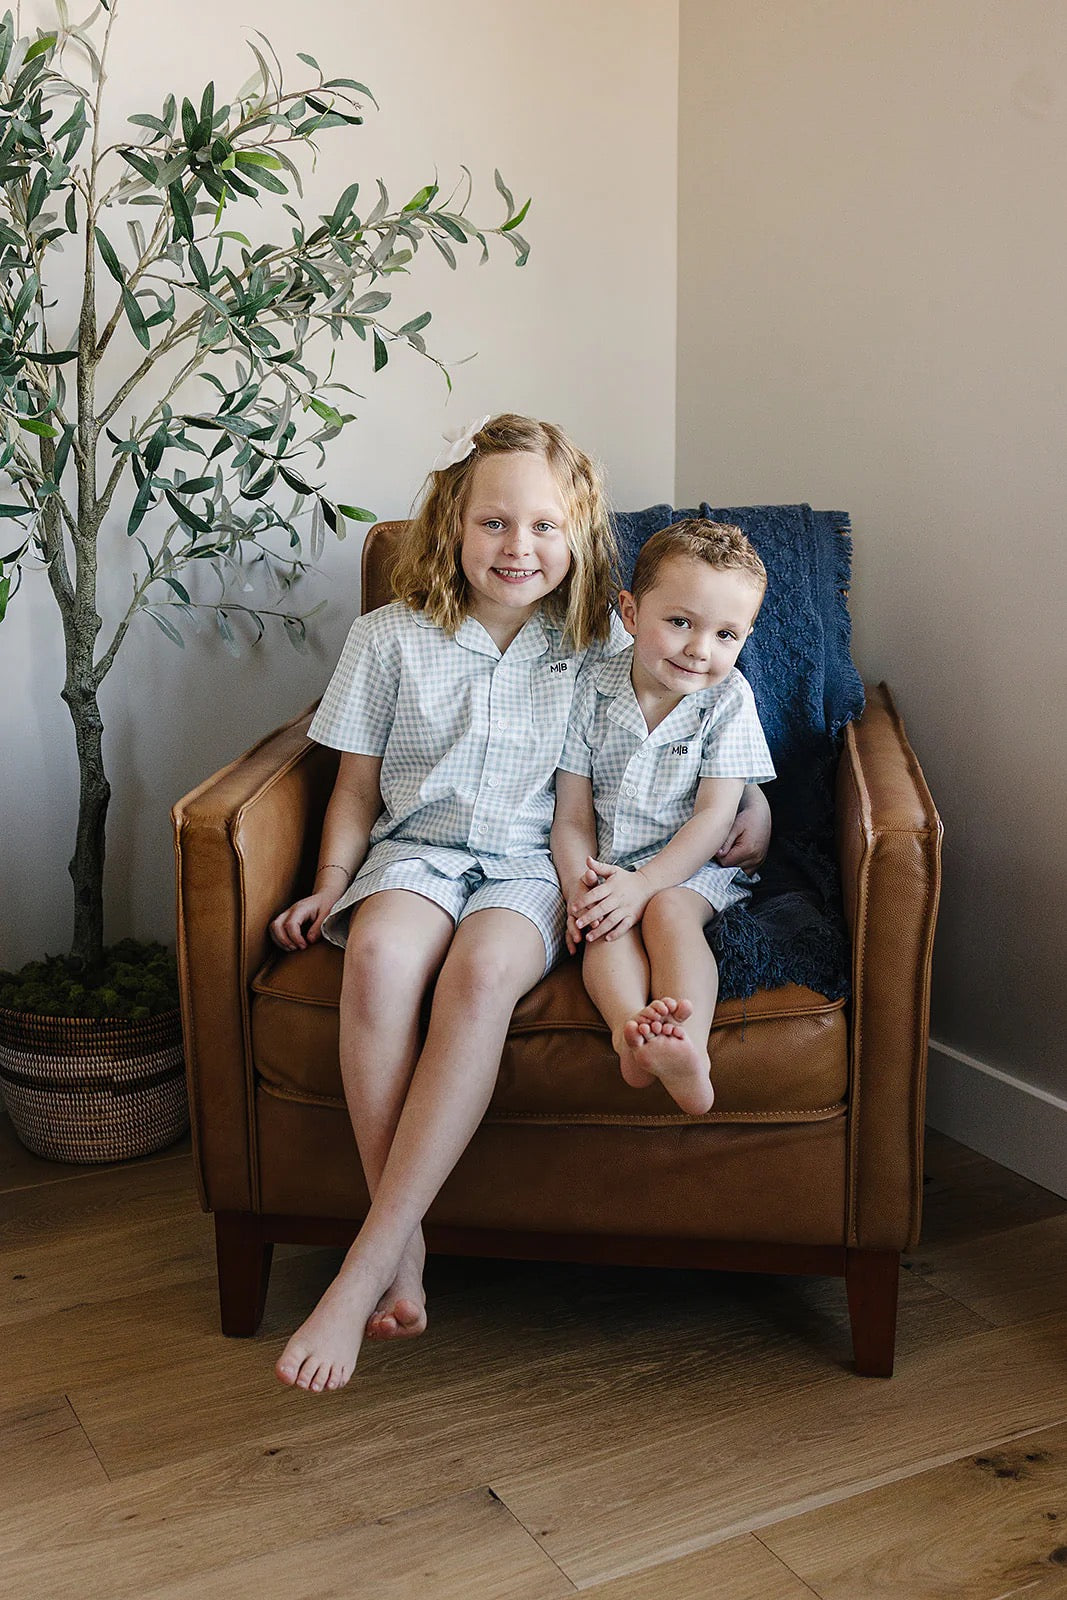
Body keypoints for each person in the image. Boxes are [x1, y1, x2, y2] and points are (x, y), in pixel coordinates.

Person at [268, 423, 770, 1394]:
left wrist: (753, 802)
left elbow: (691, 714)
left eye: (543, 524)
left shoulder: (602, 637)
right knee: (374, 960)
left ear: (576, 536)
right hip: (412, 852)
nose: (517, 546)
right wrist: (332, 879)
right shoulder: (386, 638)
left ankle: (362, 1264)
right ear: (452, 522)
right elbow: (353, 790)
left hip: (532, 867)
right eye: (493, 520)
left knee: (486, 971)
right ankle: (395, 1242)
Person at [552, 519, 775, 1118]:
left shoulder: (728, 701)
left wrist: (648, 884)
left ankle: (687, 1049)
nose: (701, 649)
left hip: (692, 865)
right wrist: (583, 887)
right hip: (612, 860)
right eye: (680, 622)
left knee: (668, 910)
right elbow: (572, 814)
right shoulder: (591, 687)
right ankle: (634, 1036)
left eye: (727, 634)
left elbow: (713, 818)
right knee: (607, 924)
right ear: (629, 612)